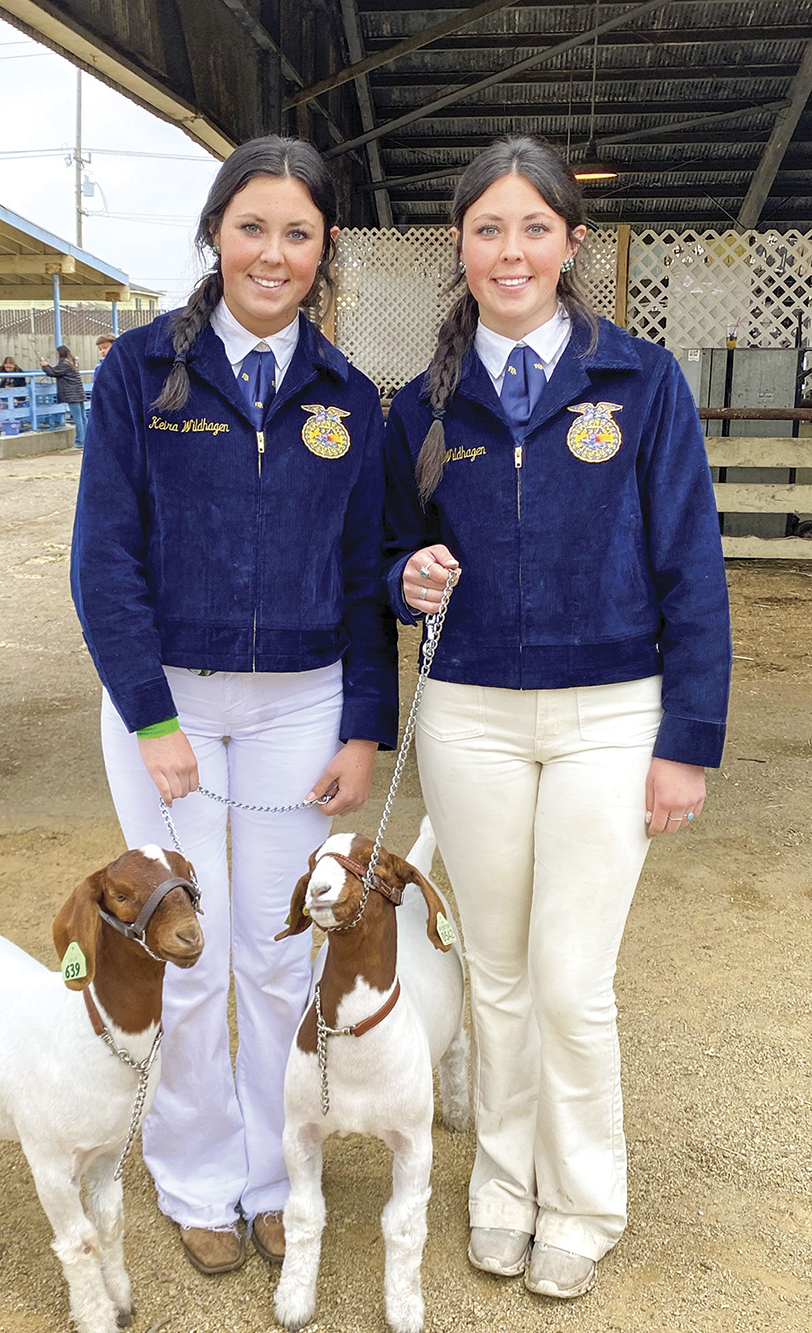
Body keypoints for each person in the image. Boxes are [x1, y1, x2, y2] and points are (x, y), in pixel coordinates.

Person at [383, 135, 731, 1301]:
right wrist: (408, 580)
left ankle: (581, 1199)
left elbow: (691, 566)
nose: (512, 249)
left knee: (571, 976)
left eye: (536, 227)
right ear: (460, 246)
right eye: (490, 228)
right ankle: (500, 1185)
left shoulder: (641, 383)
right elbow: (387, 555)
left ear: (571, 243)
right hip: (470, 715)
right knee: (495, 971)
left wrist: (688, 740)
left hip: (609, 717)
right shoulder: (418, 404)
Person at [71, 135, 397, 1277]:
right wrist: (151, 716)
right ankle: (195, 1173)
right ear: (216, 232)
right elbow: (102, 560)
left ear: (324, 251)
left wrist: (364, 727)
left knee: (276, 951)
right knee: (188, 952)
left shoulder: (350, 397)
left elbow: (367, 576)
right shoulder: (139, 373)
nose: (273, 252)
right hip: (167, 707)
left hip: (300, 707)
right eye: (252, 226)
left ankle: (274, 1174)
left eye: (297, 233)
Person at [39, 345, 87, 447]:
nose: (56, 355)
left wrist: (45, 366)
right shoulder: (72, 362)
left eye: (57, 353)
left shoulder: (65, 364)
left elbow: (53, 372)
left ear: (61, 354)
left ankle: (80, 442)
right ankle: (86, 440)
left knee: (78, 418)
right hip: (79, 392)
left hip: (72, 394)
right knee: (83, 418)